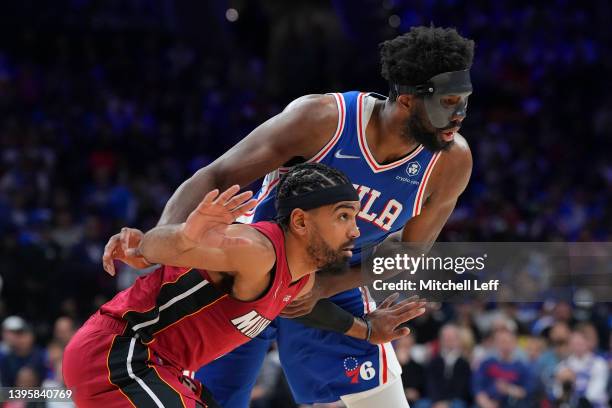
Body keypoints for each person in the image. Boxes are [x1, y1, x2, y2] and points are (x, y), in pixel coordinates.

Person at [103, 25, 474, 407]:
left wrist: (326, 288)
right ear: (409, 100)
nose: (460, 114)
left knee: (380, 402)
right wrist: (167, 240)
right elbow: (215, 175)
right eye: (448, 102)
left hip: (336, 278)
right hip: (252, 269)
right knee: (213, 399)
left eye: (464, 100)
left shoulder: (452, 161)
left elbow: (411, 249)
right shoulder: (323, 119)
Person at [65, 163, 427, 407]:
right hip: (120, 352)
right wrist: (181, 236)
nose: (356, 230)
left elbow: (313, 311)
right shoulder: (256, 250)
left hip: (164, 367)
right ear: (300, 222)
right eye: (343, 216)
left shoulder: (302, 280)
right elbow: (161, 247)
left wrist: (367, 331)